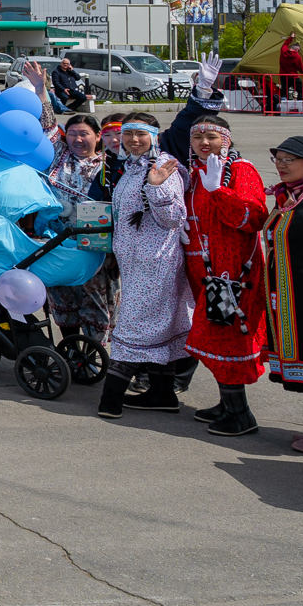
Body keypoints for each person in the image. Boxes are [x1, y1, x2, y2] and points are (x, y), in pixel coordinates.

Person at [97, 113, 194, 419]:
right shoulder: (129, 168)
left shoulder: (164, 168)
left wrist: (156, 188)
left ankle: (110, 399)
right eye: (128, 134)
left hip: (157, 266)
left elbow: (172, 219)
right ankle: (162, 394)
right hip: (135, 265)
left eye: (141, 134)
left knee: (134, 329)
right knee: (154, 329)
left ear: (154, 136)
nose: (133, 140)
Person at [182, 112, 268, 437]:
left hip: (234, 276)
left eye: (212, 137)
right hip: (209, 272)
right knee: (215, 335)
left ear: (226, 139)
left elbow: (254, 217)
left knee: (223, 337)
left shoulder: (241, 171)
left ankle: (240, 414)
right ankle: (227, 403)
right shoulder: (198, 173)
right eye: (197, 137)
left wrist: (220, 191)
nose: (204, 143)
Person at [265, 135, 303, 455]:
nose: (282, 165)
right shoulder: (290, 196)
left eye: (290, 159)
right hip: (298, 295)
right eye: (279, 159)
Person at [44, 114, 117, 348]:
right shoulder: (59, 156)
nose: (78, 138)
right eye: (73, 133)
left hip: (95, 246)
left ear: (98, 136)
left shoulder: (111, 163)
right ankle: (69, 350)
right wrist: (39, 87)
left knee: (94, 300)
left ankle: (91, 354)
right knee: (62, 295)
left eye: (84, 133)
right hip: (58, 242)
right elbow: (48, 125)